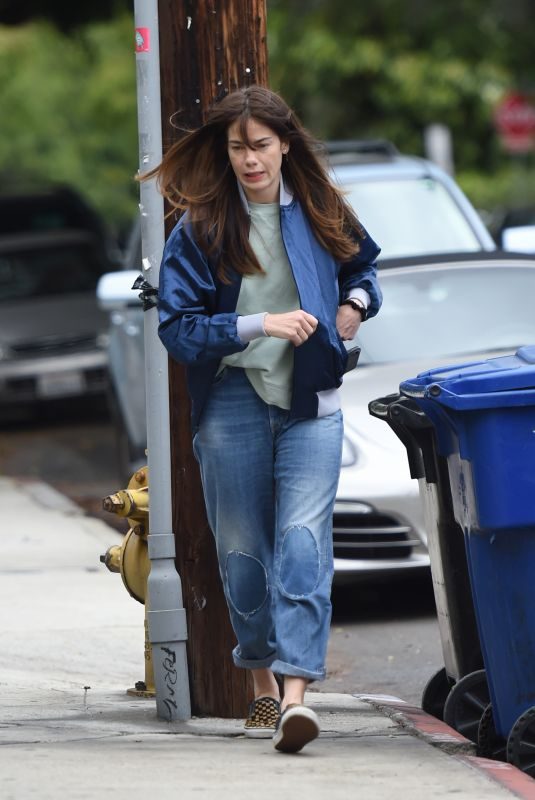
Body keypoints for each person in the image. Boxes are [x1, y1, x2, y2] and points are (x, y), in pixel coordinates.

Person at [148, 85, 382, 753]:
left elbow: (363, 266)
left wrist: (354, 306)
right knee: (244, 557)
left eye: (258, 145)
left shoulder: (318, 209)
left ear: (283, 144)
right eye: (236, 148)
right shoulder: (199, 229)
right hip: (232, 405)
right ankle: (258, 683)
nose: (249, 160)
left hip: (312, 404)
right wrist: (258, 323)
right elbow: (179, 330)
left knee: (305, 548)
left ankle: (295, 697)